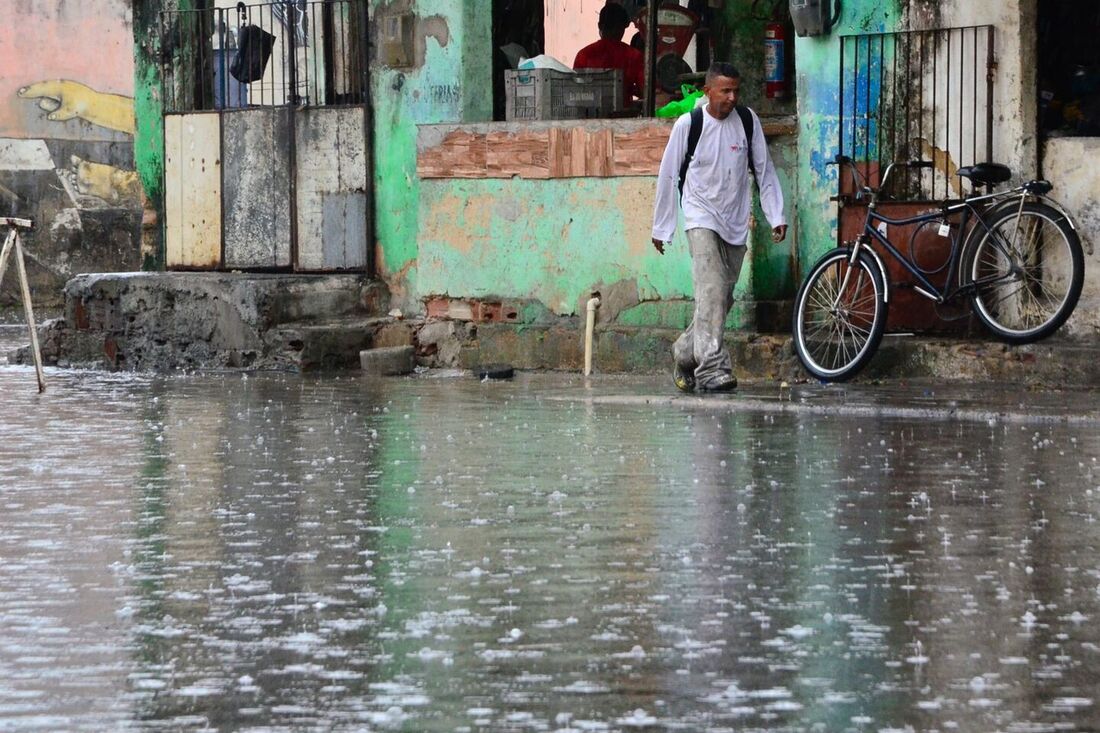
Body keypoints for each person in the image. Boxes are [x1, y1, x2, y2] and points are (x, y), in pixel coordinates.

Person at [651, 62, 787, 392]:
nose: (731, 97)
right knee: (711, 289)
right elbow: (669, 174)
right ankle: (712, 368)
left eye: (736, 91)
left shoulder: (747, 121)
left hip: (735, 219)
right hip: (701, 216)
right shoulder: (689, 124)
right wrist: (662, 226)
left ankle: (684, 351)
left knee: (721, 300)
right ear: (707, 91)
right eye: (725, 91)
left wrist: (776, 215)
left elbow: (764, 171)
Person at [573, 4, 644, 103]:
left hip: (590, 116)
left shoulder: (584, 55)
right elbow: (645, 91)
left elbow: (576, 92)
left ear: (599, 26)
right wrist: (629, 88)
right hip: (624, 116)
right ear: (623, 28)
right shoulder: (633, 55)